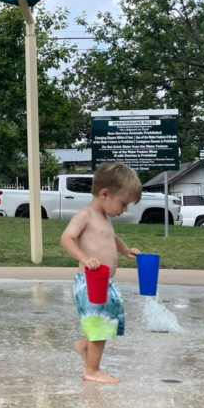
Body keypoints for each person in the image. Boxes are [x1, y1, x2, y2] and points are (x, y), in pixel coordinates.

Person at [59, 162, 143, 383]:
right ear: (104, 194)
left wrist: (124, 249)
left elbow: (111, 238)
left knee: (108, 320)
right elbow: (66, 238)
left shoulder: (104, 218)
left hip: (104, 282)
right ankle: (92, 371)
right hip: (89, 281)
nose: (124, 209)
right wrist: (84, 258)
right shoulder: (85, 215)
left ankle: (82, 345)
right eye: (123, 203)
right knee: (100, 325)